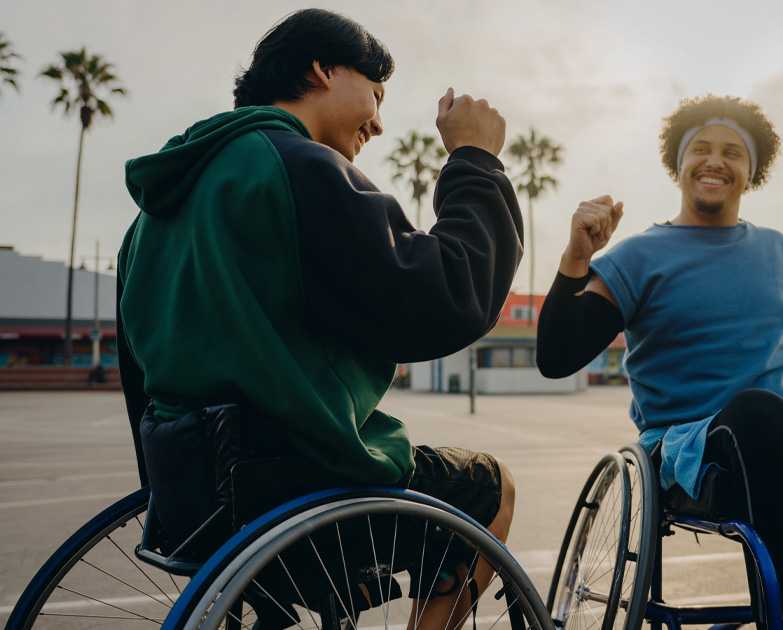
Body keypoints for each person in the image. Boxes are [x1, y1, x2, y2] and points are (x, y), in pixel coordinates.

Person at [117, 8, 522, 627]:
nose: (379, 122)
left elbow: (138, 375)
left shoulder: (155, 211)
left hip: (194, 501)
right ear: (321, 70)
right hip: (298, 490)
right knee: (491, 486)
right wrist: (474, 161)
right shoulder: (294, 166)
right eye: (376, 94)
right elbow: (447, 296)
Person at [536, 94, 783, 630]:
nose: (715, 161)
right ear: (679, 163)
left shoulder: (777, 251)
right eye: (700, 148)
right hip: (689, 444)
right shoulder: (639, 256)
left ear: (751, 171)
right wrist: (577, 259)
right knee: (761, 414)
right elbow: (557, 358)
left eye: (732, 152)